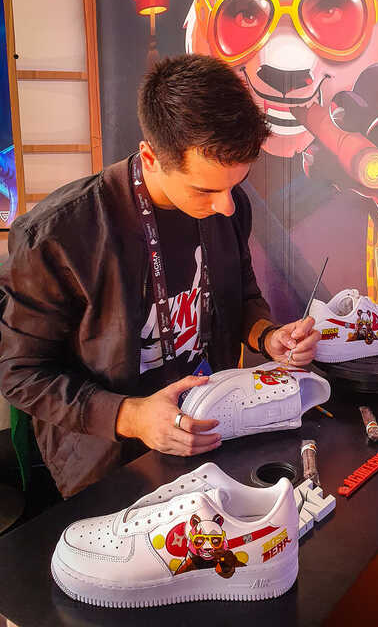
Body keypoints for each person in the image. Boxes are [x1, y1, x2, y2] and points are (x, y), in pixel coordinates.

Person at [0, 54, 320, 498]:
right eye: (206, 190)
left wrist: (268, 336)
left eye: (235, 185)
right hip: (109, 455)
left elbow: (241, 295)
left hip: (211, 425)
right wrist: (132, 416)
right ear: (151, 157)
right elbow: (20, 372)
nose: (226, 205)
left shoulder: (229, 206)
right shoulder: (60, 235)